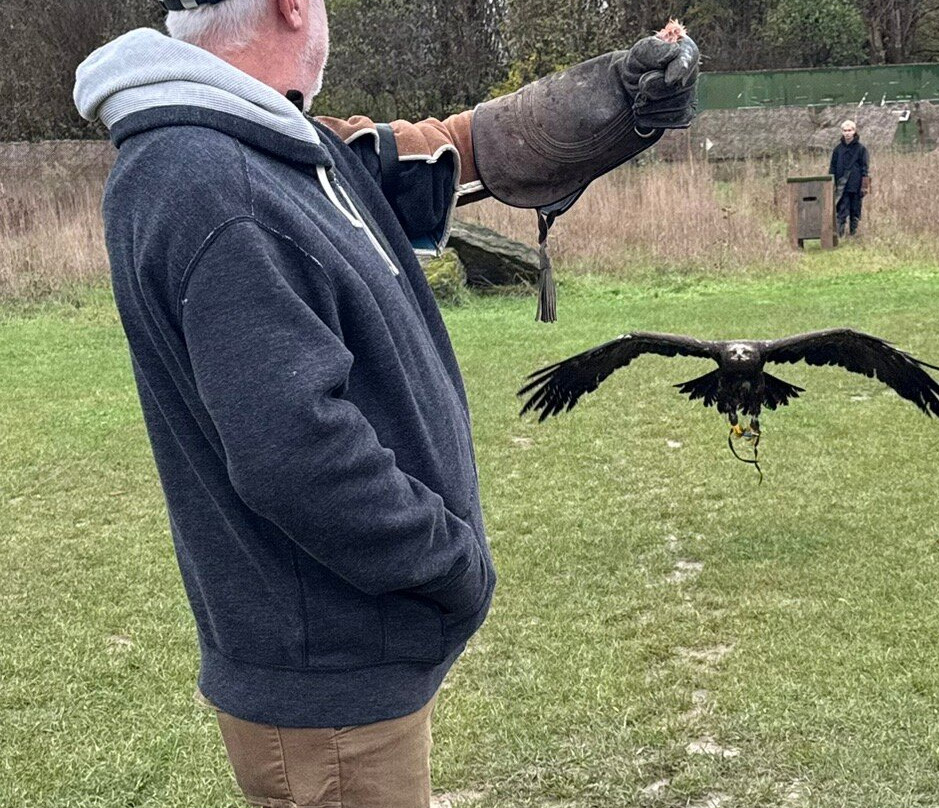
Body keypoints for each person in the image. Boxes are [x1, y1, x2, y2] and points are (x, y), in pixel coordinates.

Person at [73, 1, 698, 806]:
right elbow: (295, 455)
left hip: (347, 665)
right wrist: (452, 566)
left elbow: (435, 155)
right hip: (329, 689)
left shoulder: (268, 145)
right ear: (292, 6)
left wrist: (613, 96)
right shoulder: (207, 177)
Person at [829, 119, 871, 237]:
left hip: (856, 186)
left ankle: (854, 235)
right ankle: (839, 236)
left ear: (854, 131)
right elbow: (832, 167)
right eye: (845, 130)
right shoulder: (838, 149)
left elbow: (865, 169)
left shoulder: (861, 149)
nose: (847, 133)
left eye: (849, 130)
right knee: (841, 212)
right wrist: (831, 183)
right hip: (841, 187)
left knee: (855, 212)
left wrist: (865, 187)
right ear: (842, 132)